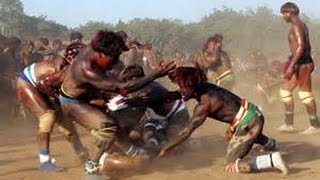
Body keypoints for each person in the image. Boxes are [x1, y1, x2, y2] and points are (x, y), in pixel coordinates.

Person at [58, 30, 175, 175]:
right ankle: (92, 167)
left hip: (89, 95)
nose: (115, 61)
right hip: (73, 103)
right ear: (101, 53)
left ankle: (120, 149)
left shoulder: (95, 50)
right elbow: (122, 88)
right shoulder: (87, 69)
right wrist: (155, 74)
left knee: (119, 121)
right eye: (113, 57)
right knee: (107, 126)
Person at [158, 67, 288, 175]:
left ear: (192, 85)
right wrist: (172, 94)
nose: (181, 90)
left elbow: (186, 132)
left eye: (183, 87)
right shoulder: (204, 87)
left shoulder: (204, 105)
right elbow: (185, 93)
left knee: (231, 164)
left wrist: (166, 148)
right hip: (253, 113)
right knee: (248, 134)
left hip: (249, 121)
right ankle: (270, 144)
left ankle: (271, 160)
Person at [16, 43, 87, 172]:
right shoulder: (57, 69)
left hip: (46, 88)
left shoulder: (70, 67)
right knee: (47, 117)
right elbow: (43, 84)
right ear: (72, 58)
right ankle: (44, 162)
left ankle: (82, 154)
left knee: (66, 125)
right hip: (27, 83)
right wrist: (58, 100)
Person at [278, 2, 319, 134]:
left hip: (303, 65)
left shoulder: (297, 25)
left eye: (283, 13)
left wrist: (290, 66)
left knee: (305, 95)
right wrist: (292, 64)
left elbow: (301, 47)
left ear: (290, 13)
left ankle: (315, 126)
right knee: (285, 91)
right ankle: (289, 124)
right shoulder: (296, 25)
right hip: (297, 64)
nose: (282, 16)